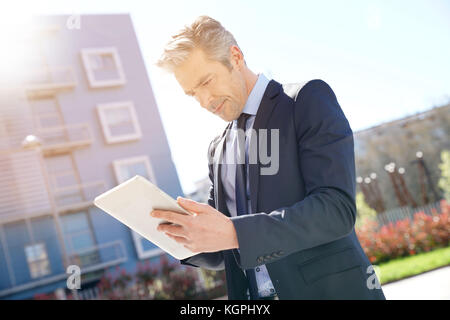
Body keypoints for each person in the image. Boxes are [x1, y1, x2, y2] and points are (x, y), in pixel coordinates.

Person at [152, 15, 386, 300]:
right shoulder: (218, 148)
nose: (204, 101)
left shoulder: (304, 100)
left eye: (206, 81)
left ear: (235, 57)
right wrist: (183, 235)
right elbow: (223, 243)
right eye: (192, 94)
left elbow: (336, 210)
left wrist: (236, 233)